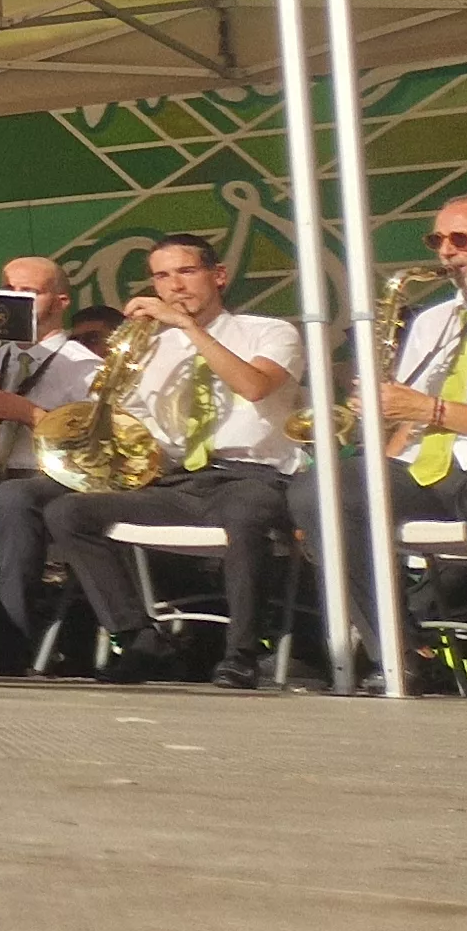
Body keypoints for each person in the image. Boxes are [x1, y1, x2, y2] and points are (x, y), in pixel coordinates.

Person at [48, 233, 305, 684]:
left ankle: (242, 653)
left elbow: (254, 386)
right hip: (182, 480)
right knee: (69, 511)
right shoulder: (148, 348)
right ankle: (140, 638)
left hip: (253, 476)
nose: (174, 286)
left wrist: (187, 328)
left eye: (186, 271)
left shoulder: (269, 331)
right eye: (161, 276)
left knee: (244, 516)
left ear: (218, 276)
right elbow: (137, 428)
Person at [306, 193, 467, 700]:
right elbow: (410, 426)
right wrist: (378, 425)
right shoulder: (429, 320)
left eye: (461, 239)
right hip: (427, 465)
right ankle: (400, 649)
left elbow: (439, 411)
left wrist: (428, 409)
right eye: (437, 240)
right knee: (322, 489)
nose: (446, 252)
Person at [0, 256, 103, 669]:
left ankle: (7, 644)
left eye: (29, 293)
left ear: (60, 301)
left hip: (51, 480)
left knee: (14, 499)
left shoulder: (87, 367)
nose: (14, 302)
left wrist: (28, 413)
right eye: (7, 292)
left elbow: (94, 447)